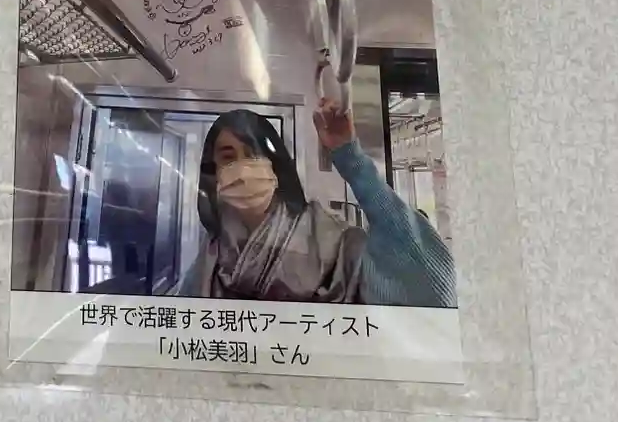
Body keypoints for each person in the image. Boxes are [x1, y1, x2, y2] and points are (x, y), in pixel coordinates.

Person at [174, 103, 456, 307]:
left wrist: (352, 160)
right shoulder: (210, 260)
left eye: (254, 153)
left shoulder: (340, 247)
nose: (243, 168)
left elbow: (436, 290)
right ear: (213, 173)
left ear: (276, 166)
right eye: (228, 156)